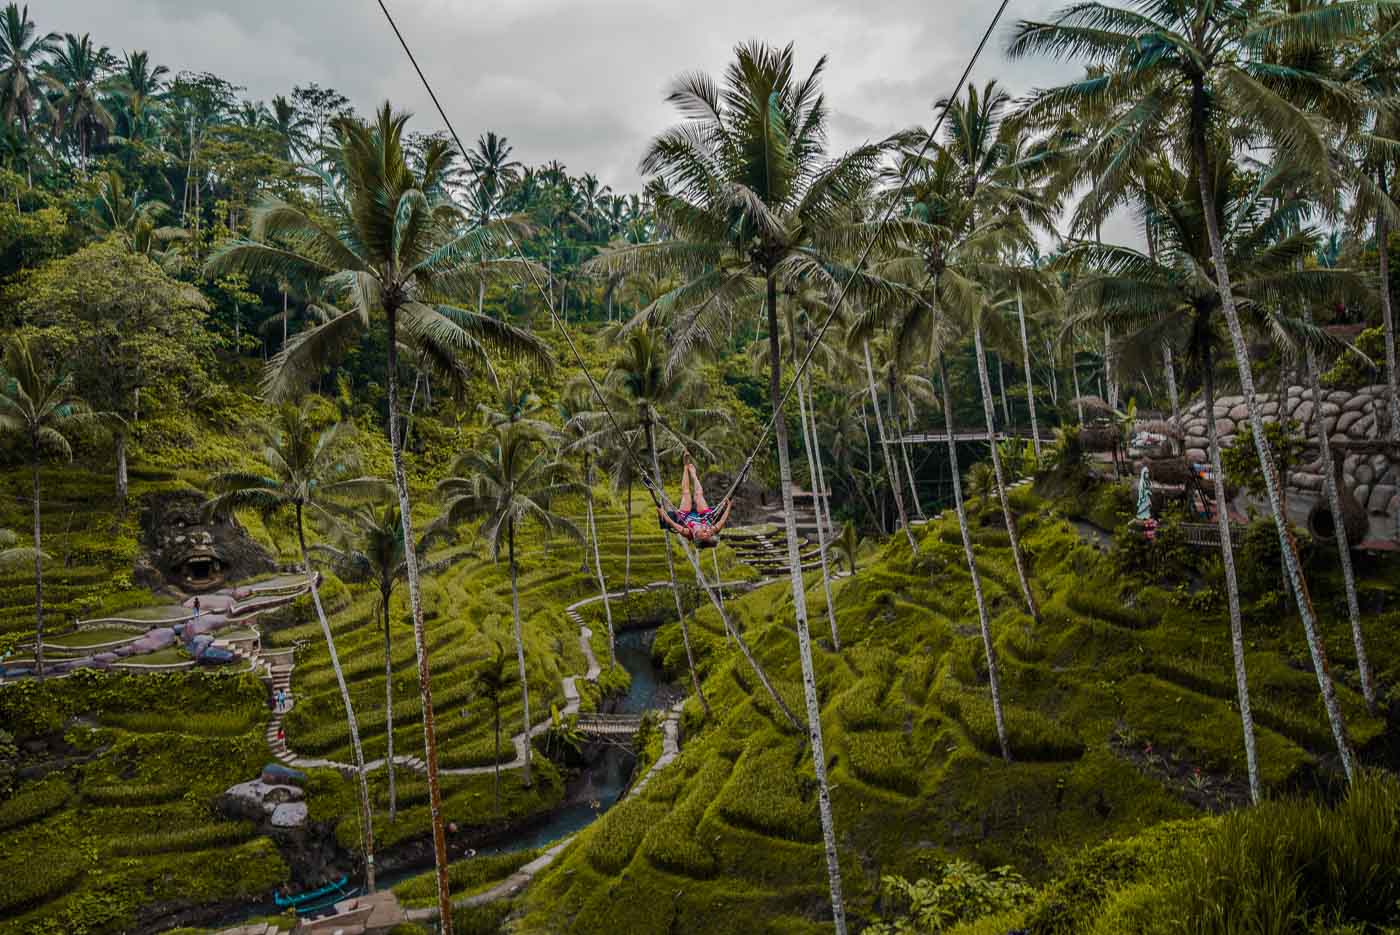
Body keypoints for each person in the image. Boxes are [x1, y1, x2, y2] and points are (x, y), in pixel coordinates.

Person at [657, 457, 733, 548]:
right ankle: (693, 475)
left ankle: (685, 467)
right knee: (699, 494)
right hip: (705, 516)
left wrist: (662, 513)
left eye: (703, 533)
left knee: (686, 493)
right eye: (708, 533)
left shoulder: (688, 532)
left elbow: (672, 523)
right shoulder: (712, 530)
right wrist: (729, 506)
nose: (706, 530)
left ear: (696, 536)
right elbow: (722, 521)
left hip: (686, 518)